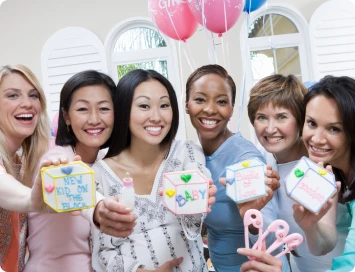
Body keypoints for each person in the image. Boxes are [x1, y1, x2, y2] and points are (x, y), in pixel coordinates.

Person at [91, 69, 216, 271]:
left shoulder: (187, 153)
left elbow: (195, 224)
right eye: (144, 106)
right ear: (124, 110)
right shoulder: (99, 174)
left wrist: (201, 200)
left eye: (164, 105)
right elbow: (103, 251)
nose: (156, 116)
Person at [24, 70, 133, 272]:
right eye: (83, 109)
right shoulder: (56, 160)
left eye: (104, 108)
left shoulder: (106, 163)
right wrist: (100, 209)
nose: (94, 119)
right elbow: (71, 187)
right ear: (66, 117)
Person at [185, 64, 284, 272]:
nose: (210, 109)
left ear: (231, 109)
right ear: (187, 105)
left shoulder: (245, 159)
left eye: (221, 102)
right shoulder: (193, 155)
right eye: (200, 99)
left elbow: (270, 229)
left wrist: (251, 216)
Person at [247, 74, 349, 272]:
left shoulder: (322, 163)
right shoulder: (264, 162)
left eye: (281, 117)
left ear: (300, 120)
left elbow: (325, 241)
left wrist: (310, 227)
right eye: (261, 117)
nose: (270, 128)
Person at [301, 76, 355, 271]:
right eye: (312, 123)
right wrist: (309, 226)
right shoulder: (330, 171)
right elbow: (324, 244)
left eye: (333, 129)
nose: (316, 139)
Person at [0, 64, 50, 272]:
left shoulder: (24, 160)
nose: (27, 104)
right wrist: (32, 199)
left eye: (33, 95)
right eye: (13, 96)